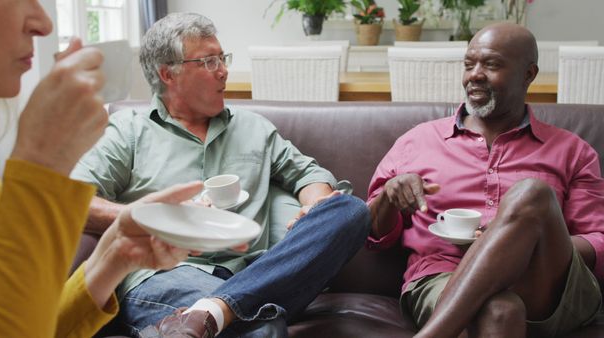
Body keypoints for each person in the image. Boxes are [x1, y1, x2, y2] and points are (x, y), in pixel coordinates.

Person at [71, 12, 371, 337]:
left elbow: (308, 174)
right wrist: (159, 218)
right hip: (166, 273)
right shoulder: (129, 130)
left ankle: (212, 312)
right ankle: (220, 312)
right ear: (168, 74)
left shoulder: (253, 127)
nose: (224, 71)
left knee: (351, 210)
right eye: (209, 61)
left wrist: (314, 204)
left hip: (257, 273)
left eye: (222, 58)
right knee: (262, 328)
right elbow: (73, 201)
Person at [0, 1, 202, 337]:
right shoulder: (131, 129)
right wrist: (43, 167)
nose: (43, 23)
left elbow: (25, 322)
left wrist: (115, 255)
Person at [367, 22, 603, 338]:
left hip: (547, 286)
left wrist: (520, 238)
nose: (475, 74)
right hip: (441, 276)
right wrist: (388, 196)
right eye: (469, 65)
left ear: (529, 74)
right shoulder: (417, 142)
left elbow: (597, 239)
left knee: (532, 195)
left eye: (491, 64)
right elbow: (372, 234)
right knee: (500, 311)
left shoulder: (573, 151)